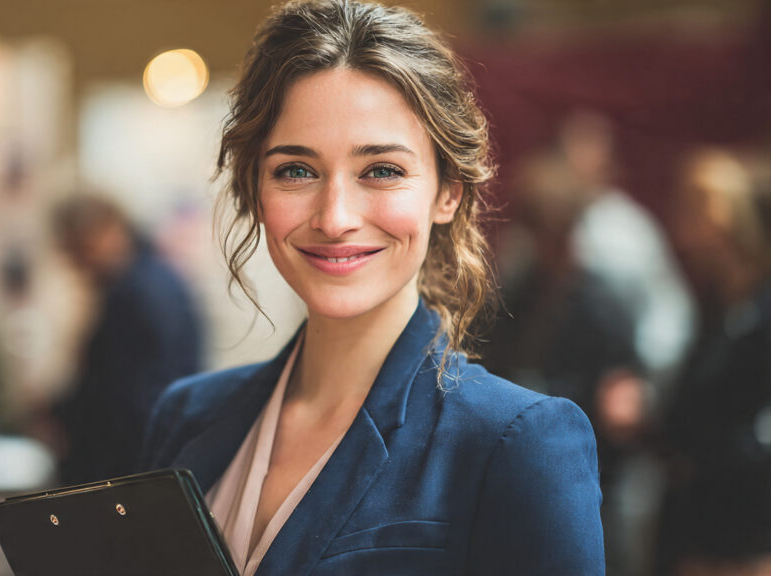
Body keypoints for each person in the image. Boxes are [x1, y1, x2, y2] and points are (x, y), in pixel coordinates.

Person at [139, 1, 605, 575]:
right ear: (255, 188)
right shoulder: (185, 416)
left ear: (447, 193)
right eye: (296, 170)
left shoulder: (515, 443)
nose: (335, 218)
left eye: (381, 170)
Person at [656, 148, 771, 576]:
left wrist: (708, 455)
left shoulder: (761, 310)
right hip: (701, 528)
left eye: (692, 216)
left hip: (750, 537)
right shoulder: (715, 305)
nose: (682, 234)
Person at [51, 193, 203, 484]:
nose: (78, 266)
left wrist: (64, 416)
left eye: (79, 250)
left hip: (132, 463)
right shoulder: (157, 276)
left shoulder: (134, 293)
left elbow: (122, 396)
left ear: (105, 232)